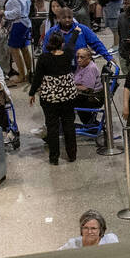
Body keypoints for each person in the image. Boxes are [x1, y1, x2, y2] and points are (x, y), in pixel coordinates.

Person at [29, 31, 78, 165]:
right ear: (61, 44)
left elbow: (38, 77)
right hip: (68, 97)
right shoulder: (67, 55)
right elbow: (71, 43)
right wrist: (76, 32)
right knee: (69, 125)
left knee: (52, 127)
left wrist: (32, 93)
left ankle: (54, 158)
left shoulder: (44, 58)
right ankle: (72, 155)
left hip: (50, 99)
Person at [5, 0, 34, 84]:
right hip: (26, 23)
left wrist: (4, 13)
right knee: (24, 48)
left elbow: (16, 12)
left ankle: (22, 75)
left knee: (15, 49)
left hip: (19, 24)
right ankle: (29, 72)